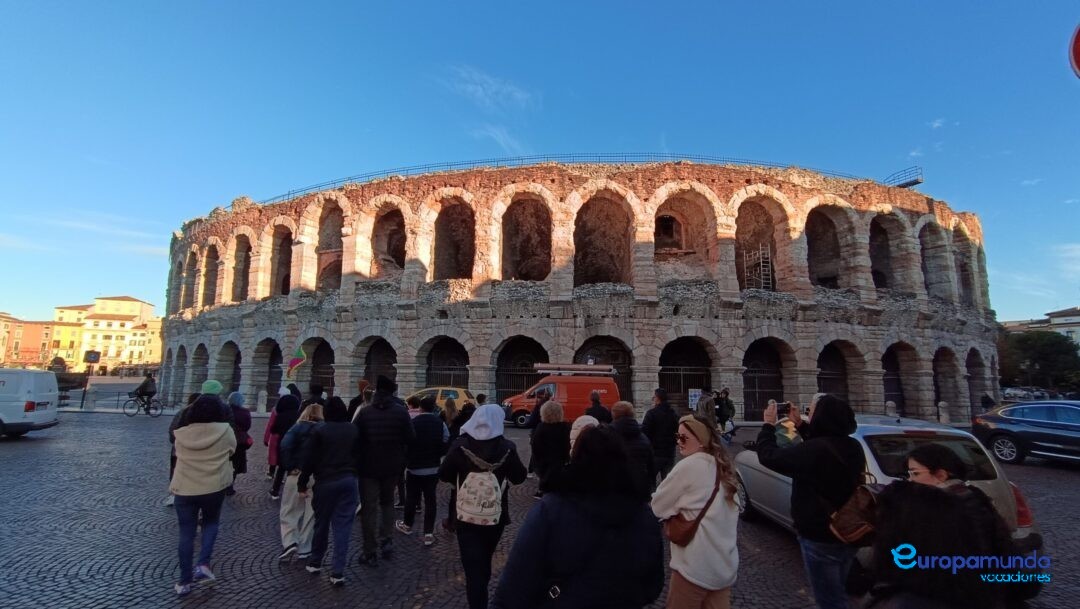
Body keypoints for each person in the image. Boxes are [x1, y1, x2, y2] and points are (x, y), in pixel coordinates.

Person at [490, 425, 664, 608]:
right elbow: (653, 586)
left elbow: (516, 583)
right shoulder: (644, 516)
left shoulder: (551, 511)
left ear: (576, 457)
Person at [867, 445, 1015, 608]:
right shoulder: (971, 495)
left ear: (941, 475)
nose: (910, 480)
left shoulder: (941, 506)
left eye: (915, 473)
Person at [756, 395, 865, 609]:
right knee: (839, 589)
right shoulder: (854, 447)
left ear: (823, 417)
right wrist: (799, 425)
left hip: (820, 535)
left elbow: (769, 456)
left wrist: (768, 426)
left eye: (812, 411)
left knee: (829, 599)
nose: (809, 414)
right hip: (848, 530)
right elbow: (822, 447)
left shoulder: (814, 451)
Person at [439, 404, 528, 609]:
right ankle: (481, 592)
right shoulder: (507, 447)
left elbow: (443, 473)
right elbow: (520, 477)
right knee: (484, 559)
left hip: (465, 514)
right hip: (494, 515)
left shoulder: (460, 444)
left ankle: (477, 600)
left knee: (472, 567)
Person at [651, 415, 741, 608]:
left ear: (701, 441)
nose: (678, 442)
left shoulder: (689, 466)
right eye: (677, 436)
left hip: (694, 568)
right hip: (724, 567)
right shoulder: (723, 467)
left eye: (684, 438)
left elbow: (658, 506)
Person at [169, 394, 236, 596]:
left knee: (186, 534)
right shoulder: (225, 431)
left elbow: (176, 451)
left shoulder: (181, 433)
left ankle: (184, 581)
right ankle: (203, 563)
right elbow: (232, 450)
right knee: (210, 523)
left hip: (185, 487)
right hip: (213, 486)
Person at [298, 397, 360, 586]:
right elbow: (360, 454)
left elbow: (308, 459)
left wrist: (302, 482)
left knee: (321, 523)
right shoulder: (353, 429)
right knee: (343, 528)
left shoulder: (320, 430)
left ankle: (316, 561)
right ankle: (338, 571)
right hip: (349, 481)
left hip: (325, 481)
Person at [354, 375, 415, 566]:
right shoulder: (401, 412)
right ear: (392, 392)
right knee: (387, 503)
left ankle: (369, 551)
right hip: (392, 466)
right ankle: (386, 540)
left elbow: (356, 439)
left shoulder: (365, 413)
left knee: (369, 509)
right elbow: (411, 438)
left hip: (368, 468)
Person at [395, 395, 449, 546]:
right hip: (432, 467)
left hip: (414, 467)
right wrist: (438, 453)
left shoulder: (413, 422)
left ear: (420, 407)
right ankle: (428, 533)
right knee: (431, 500)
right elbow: (446, 439)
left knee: (411, 497)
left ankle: (407, 525)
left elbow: (406, 441)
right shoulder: (440, 423)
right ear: (433, 408)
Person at [276, 402, 324, 561]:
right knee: (312, 513)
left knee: (289, 509)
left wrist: (290, 466)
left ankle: (290, 542)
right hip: (316, 476)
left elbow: (284, 446)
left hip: (296, 473)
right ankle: (305, 547)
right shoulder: (323, 429)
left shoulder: (296, 428)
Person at [611, 400, 656, 499]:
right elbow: (651, 467)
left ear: (614, 415)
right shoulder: (644, 439)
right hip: (639, 489)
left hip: (614, 490)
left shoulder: (605, 436)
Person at [529, 400, 571, 498]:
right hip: (560, 462)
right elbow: (568, 445)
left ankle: (542, 490)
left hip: (544, 462)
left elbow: (535, 446)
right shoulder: (565, 427)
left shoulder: (541, 427)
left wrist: (537, 462)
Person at [268, 385, 303, 499]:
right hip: (296, 445)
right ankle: (292, 492)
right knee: (293, 470)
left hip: (282, 444)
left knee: (281, 468)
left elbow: (273, 430)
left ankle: (275, 490)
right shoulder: (299, 416)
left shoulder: (281, 416)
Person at [642, 388, 679, 482]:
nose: (653, 399)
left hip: (655, 452)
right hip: (670, 452)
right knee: (667, 482)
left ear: (658, 398)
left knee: (650, 480)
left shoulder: (651, 413)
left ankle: (652, 497)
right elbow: (678, 430)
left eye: (654, 397)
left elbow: (645, 432)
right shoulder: (673, 413)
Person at [225, 391, 252, 497]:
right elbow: (247, 426)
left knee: (224, 462)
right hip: (239, 442)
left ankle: (221, 484)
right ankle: (230, 486)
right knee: (235, 464)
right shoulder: (244, 412)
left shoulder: (224, 410)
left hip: (224, 439)